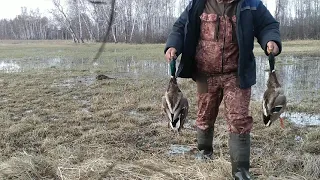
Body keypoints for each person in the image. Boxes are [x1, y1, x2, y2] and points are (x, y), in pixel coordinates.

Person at [164, 0, 281, 179]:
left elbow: (268, 25)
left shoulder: (251, 4)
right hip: (204, 74)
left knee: (239, 120)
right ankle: (204, 153)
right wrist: (173, 45)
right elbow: (180, 26)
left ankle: (241, 171)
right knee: (205, 115)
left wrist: (271, 40)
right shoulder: (198, 3)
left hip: (237, 74)